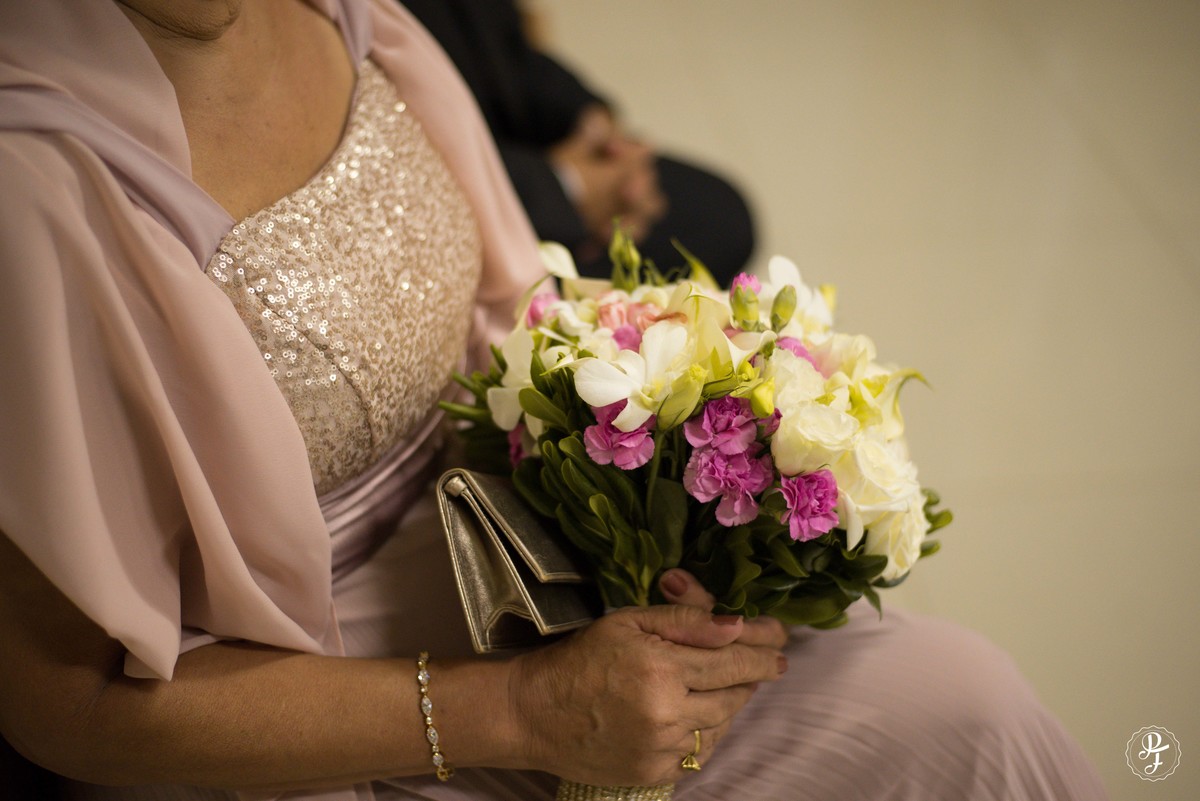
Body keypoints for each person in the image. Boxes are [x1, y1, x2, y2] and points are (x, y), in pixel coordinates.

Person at [0, 2, 1108, 801]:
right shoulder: (33, 174)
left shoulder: (351, 17)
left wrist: (679, 472)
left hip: (526, 551)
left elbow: (510, 311)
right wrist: (521, 712)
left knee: (968, 702)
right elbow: (65, 698)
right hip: (318, 698)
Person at [397, 0, 757, 284]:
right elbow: (395, 157)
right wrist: (566, 184)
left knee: (717, 217)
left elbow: (505, 48)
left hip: (508, 139)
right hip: (427, 195)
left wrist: (593, 125)